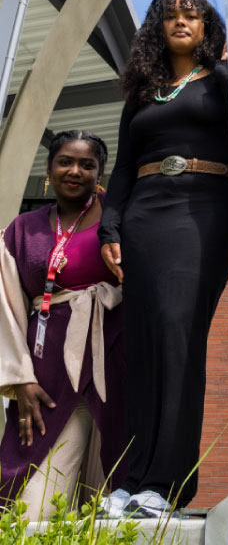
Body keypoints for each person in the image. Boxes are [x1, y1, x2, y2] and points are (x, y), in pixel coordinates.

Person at [97, 0, 228, 517]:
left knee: (179, 339)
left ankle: (167, 485)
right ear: (158, 28)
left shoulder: (224, 82)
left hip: (203, 212)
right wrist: (110, 228)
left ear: (206, 27)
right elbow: (122, 166)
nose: (180, 22)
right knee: (144, 348)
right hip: (143, 218)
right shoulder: (143, 93)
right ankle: (131, 480)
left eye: (191, 15)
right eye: (171, 16)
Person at [0, 131, 125, 519]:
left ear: (99, 173)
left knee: (109, 489)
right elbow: (4, 305)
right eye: (65, 162)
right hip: (46, 375)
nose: (75, 171)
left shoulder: (120, 217)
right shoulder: (21, 229)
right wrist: (19, 379)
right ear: (49, 170)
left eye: (87, 165)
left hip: (113, 366)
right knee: (30, 506)